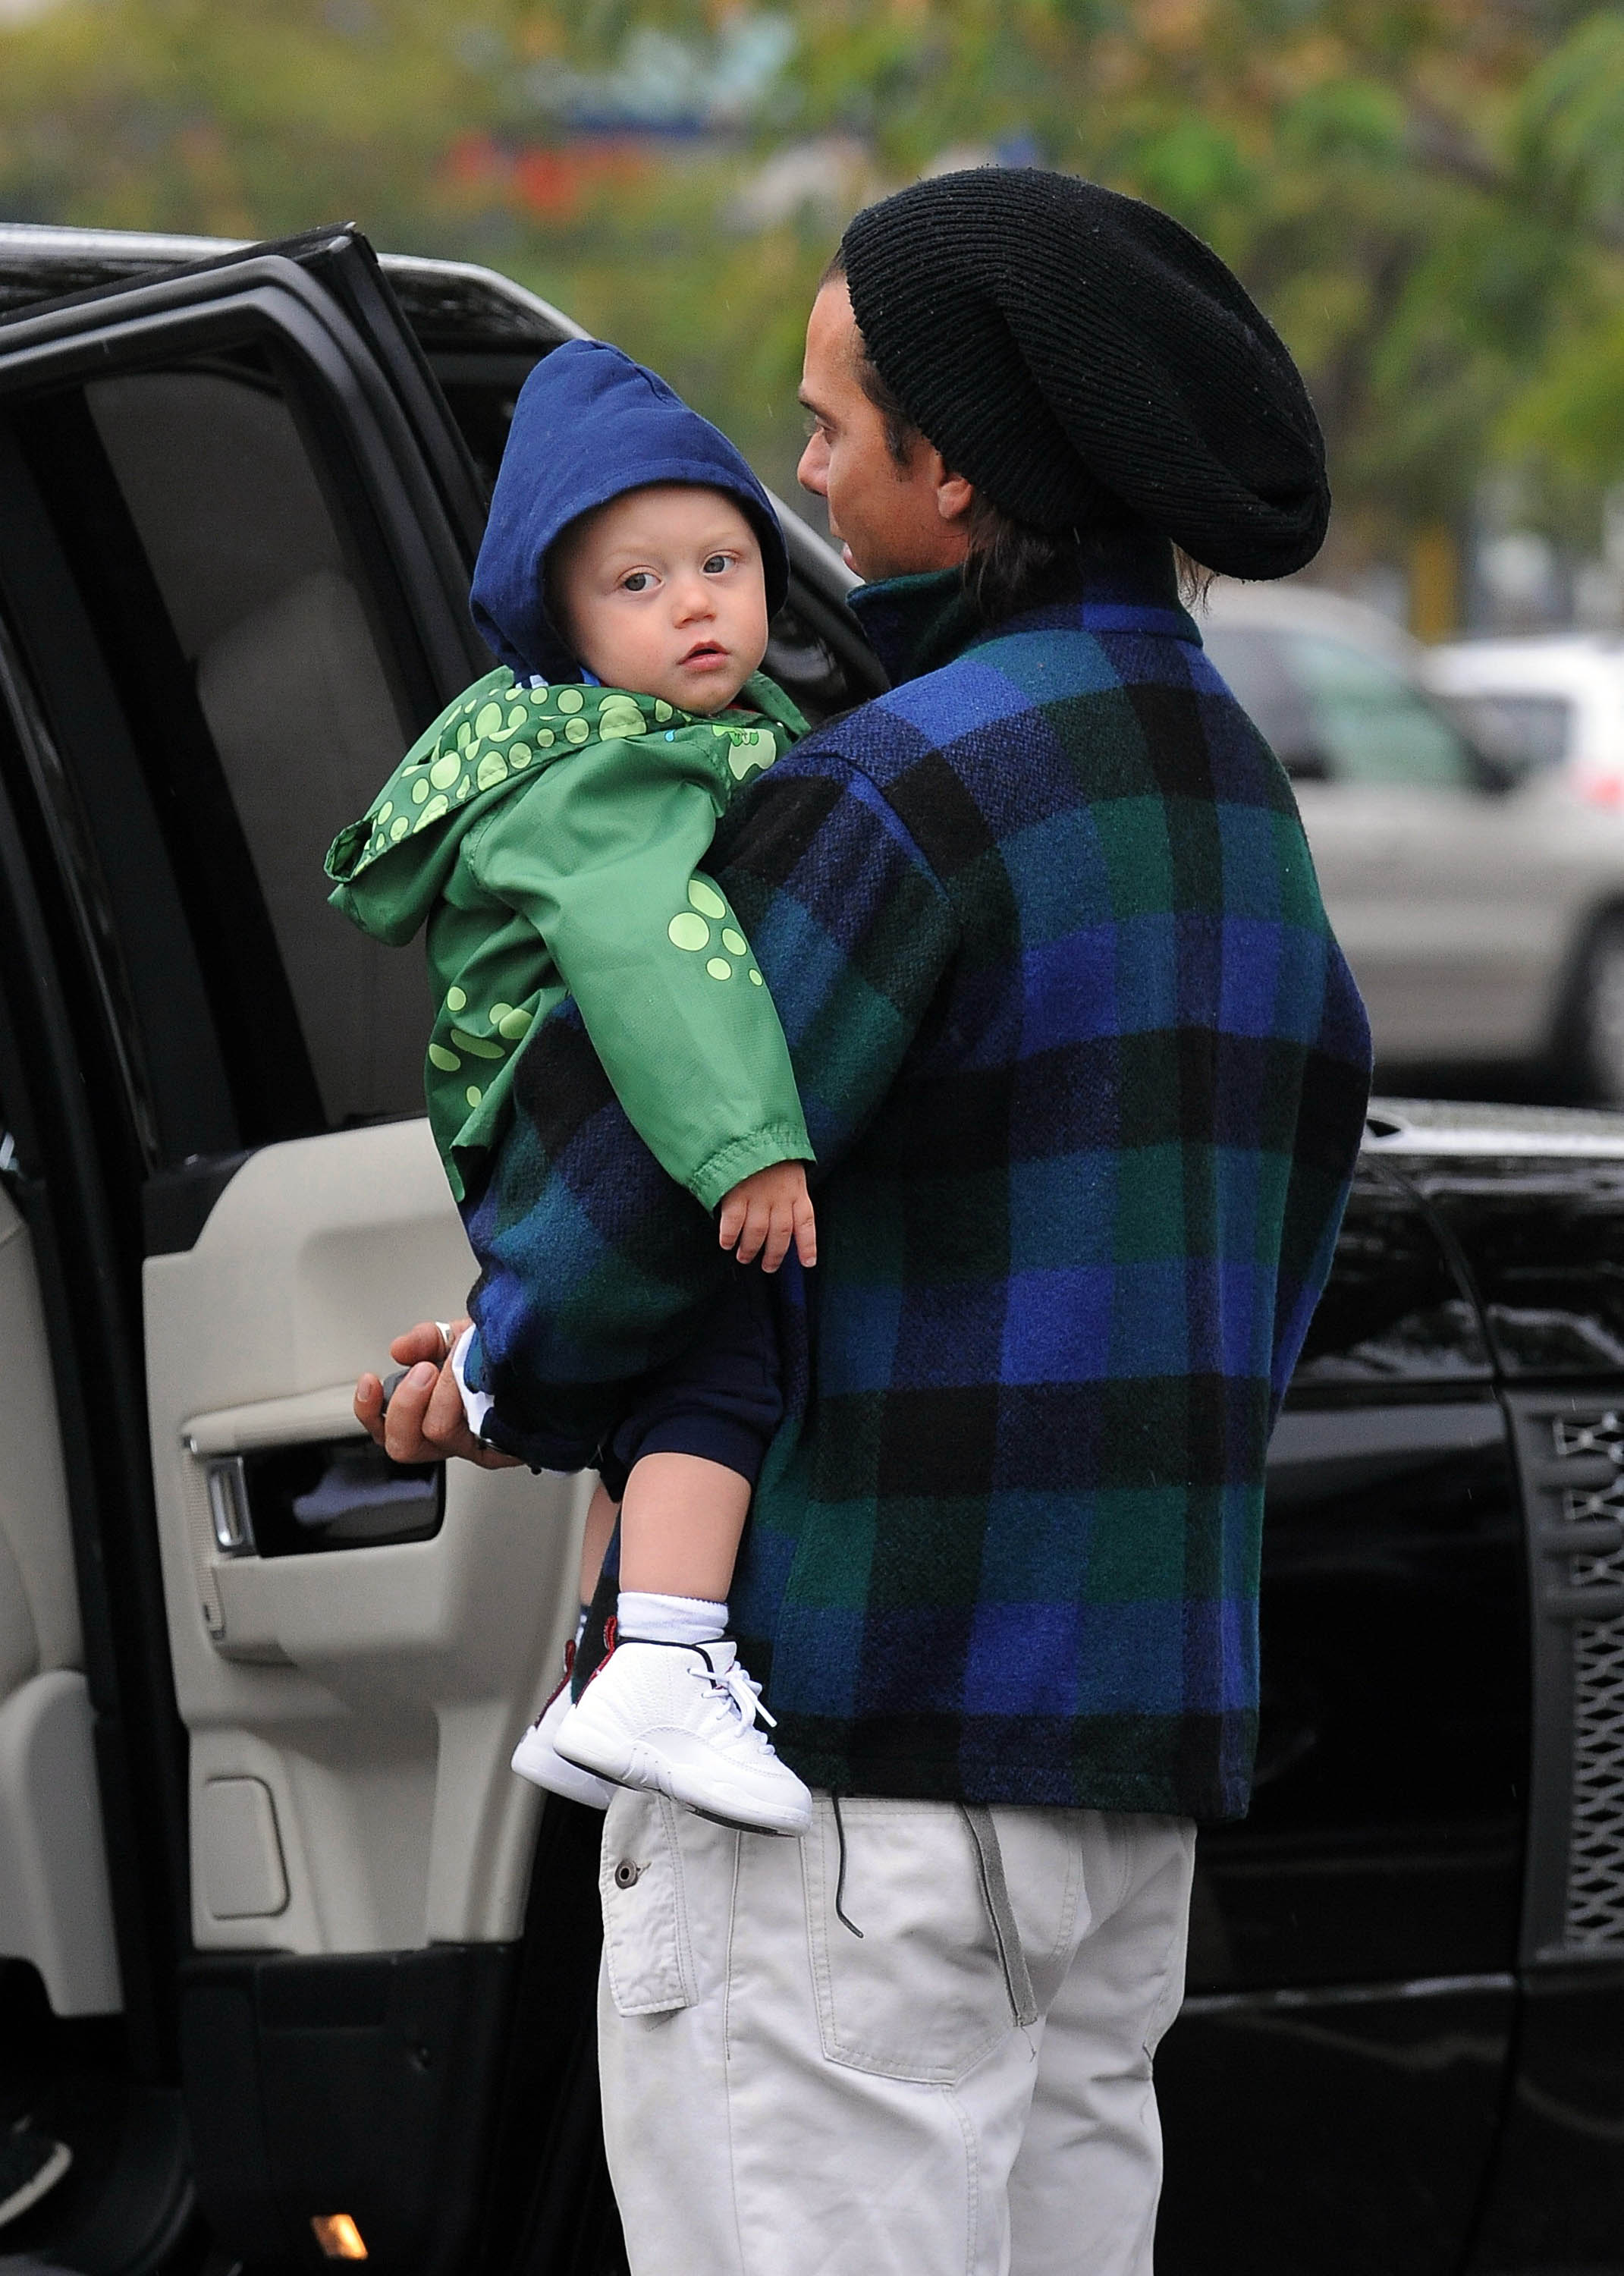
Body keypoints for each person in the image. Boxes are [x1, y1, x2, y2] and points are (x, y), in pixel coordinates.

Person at [361, 168, 1373, 2276]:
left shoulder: (892, 784)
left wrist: (499, 1367)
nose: (803, 477)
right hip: (1125, 1780)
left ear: (957, 467)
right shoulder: (1235, 794)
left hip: (846, 1777)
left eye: (829, 428)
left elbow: (622, 1214)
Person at [330, 339, 822, 1837]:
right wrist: (750, 1147)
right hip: (577, 1124)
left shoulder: (646, 736)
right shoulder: (602, 773)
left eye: (722, 563)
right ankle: (663, 1660)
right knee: (724, 1359)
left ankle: (602, 1662)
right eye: (637, 583)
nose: (694, 604)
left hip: (545, 1131)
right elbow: (656, 955)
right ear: (562, 624)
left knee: (646, 1397)